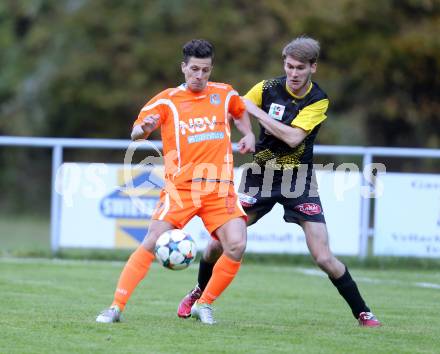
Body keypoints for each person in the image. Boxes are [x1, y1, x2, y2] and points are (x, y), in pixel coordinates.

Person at [177, 36, 381, 327]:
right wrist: (244, 131)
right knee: (215, 245)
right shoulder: (267, 87)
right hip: (261, 175)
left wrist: (255, 111)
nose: (293, 74)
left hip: (299, 180)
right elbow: (234, 107)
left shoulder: (318, 100)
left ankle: (363, 312)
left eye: (300, 68)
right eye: (289, 66)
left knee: (323, 256)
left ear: (313, 67)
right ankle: (199, 293)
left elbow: (293, 137)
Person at [96, 39, 255, 325]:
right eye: (194, 69)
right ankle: (116, 307)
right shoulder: (167, 100)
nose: (200, 75)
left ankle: (204, 303)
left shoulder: (224, 93)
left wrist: (248, 134)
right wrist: (140, 132)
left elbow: (240, 112)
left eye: (205, 70)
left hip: (220, 189)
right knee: (152, 241)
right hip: (181, 188)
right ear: (183, 67)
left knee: (237, 244)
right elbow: (139, 129)